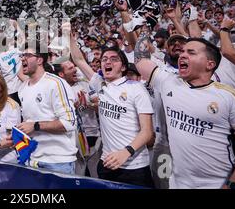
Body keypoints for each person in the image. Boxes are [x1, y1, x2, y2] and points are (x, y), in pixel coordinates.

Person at [135, 36, 235, 189]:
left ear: (210, 64)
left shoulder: (230, 97)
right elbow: (140, 60)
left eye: (191, 52)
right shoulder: (168, 82)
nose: (182, 55)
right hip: (177, 184)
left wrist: (234, 184)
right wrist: (142, 26)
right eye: (183, 52)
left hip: (217, 184)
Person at [69, 25, 154, 187]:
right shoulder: (100, 84)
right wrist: (69, 37)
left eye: (113, 59)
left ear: (123, 67)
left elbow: (147, 131)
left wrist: (126, 152)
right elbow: (79, 59)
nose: (107, 61)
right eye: (104, 59)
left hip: (133, 165)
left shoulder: (136, 89)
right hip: (106, 163)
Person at [17, 43, 77, 174]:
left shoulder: (56, 83)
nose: (22, 59)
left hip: (58, 162)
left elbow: (69, 122)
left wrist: (36, 126)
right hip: (32, 159)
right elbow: (29, 123)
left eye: (27, 55)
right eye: (22, 56)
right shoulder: (22, 88)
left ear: (39, 60)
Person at [54, 60, 101, 178]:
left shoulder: (84, 84)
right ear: (61, 74)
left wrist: (88, 105)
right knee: (78, 174)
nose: (75, 69)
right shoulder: (57, 89)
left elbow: (100, 107)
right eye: (70, 68)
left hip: (92, 133)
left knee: (95, 173)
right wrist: (72, 108)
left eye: (74, 66)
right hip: (71, 137)